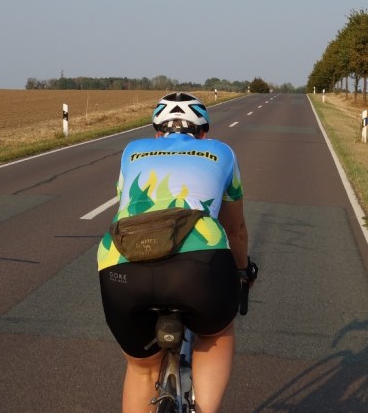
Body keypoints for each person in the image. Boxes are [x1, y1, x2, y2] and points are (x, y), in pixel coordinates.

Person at [97, 92, 255, 413]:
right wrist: (243, 272)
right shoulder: (222, 152)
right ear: (203, 133)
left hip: (121, 266)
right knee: (216, 333)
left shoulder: (132, 150)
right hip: (198, 266)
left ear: (157, 133)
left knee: (141, 368)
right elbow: (235, 229)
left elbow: (127, 205)